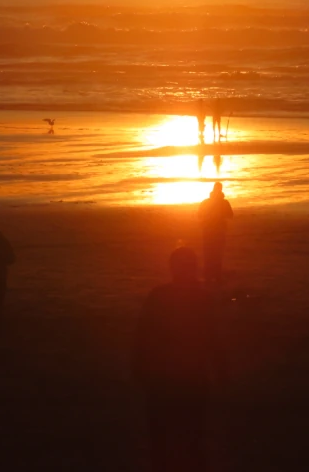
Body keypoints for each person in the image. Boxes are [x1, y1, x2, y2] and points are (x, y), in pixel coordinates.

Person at [134, 246, 224, 472]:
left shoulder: (158, 296)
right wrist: (221, 370)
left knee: (162, 437)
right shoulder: (203, 299)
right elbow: (214, 339)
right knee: (192, 435)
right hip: (191, 378)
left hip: (163, 379)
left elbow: (142, 336)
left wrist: (140, 370)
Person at [198, 182, 233, 285]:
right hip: (218, 231)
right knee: (217, 254)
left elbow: (199, 214)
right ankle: (216, 277)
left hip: (208, 231)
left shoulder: (205, 202)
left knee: (208, 254)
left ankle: (209, 277)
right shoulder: (224, 202)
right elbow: (230, 215)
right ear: (221, 190)